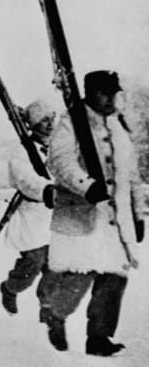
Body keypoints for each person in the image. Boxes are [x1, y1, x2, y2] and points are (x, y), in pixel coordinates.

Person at [39, 70, 145, 356]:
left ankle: (99, 337)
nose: (111, 98)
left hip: (115, 219)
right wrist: (86, 186)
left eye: (114, 92)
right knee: (82, 271)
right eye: (104, 92)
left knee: (115, 274)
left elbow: (131, 174)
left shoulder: (119, 125)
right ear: (90, 92)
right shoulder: (71, 122)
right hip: (82, 212)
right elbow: (60, 162)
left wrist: (137, 214)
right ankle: (55, 312)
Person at [0, 100, 57, 315]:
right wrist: (47, 189)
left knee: (55, 265)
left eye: (52, 120)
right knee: (33, 262)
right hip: (32, 215)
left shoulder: (59, 148)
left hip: (56, 215)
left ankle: (47, 306)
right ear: (32, 124)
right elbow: (24, 179)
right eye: (44, 121)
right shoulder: (22, 150)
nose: (50, 125)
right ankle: (10, 288)